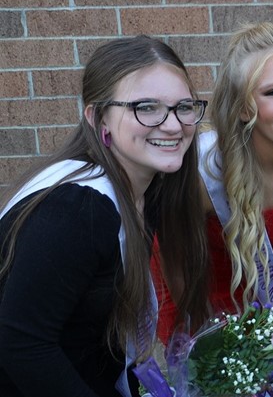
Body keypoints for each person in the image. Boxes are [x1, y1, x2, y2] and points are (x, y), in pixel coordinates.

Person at [0, 36, 209, 396]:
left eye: (184, 106)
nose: (174, 125)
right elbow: (21, 343)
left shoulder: (147, 189)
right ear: (98, 118)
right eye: (147, 107)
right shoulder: (76, 210)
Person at [151, 22, 273, 392]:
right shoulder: (203, 173)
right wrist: (215, 347)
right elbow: (177, 265)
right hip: (198, 288)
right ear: (241, 108)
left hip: (268, 285)